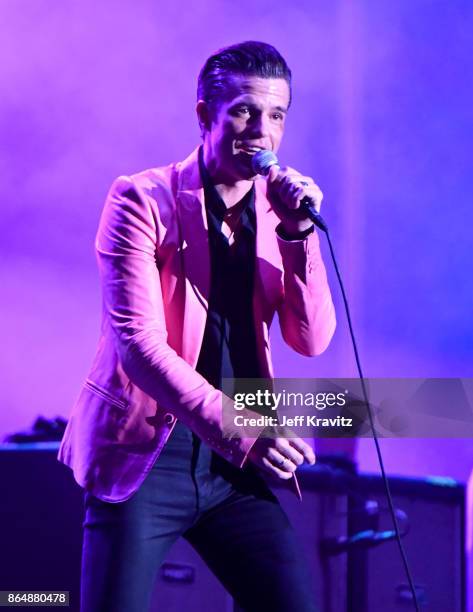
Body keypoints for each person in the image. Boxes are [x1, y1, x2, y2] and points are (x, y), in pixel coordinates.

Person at [58, 40, 336, 612]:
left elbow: (311, 340)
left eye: (276, 115)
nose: (261, 130)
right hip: (146, 454)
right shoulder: (142, 199)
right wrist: (246, 431)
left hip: (232, 465)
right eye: (243, 110)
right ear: (205, 114)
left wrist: (297, 236)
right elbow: (139, 347)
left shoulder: (275, 213)